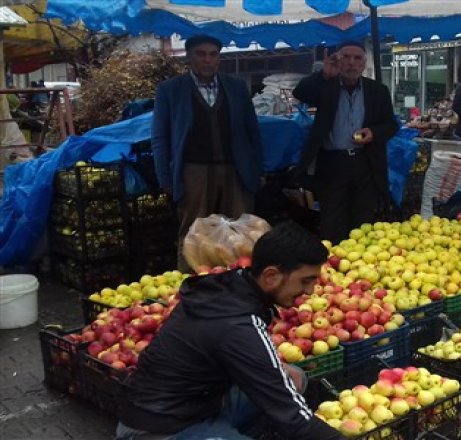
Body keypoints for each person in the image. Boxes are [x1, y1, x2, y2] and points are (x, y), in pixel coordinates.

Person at [117, 222, 344, 440]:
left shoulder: (231, 285)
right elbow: (293, 417)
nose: (310, 290)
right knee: (284, 396)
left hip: (200, 404)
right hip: (159, 428)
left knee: (293, 377)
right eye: (305, 281)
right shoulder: (238, 325)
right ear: (271, 276)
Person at [152, 34, 263, 272]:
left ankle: (240, 282)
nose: (207, 60)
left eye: (213, 55)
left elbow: (252, 131)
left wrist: (258, 169)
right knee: (195, 233)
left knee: (240, 232)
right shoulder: (170, 90)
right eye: (201, 54)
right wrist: (165, 178)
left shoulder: (236, 88)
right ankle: (189, 285)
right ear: (189, 58)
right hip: (193, 171)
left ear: (219, 59)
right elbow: (160, 137)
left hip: (235, 170)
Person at [291, 42, 399, 244]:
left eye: (357, 58)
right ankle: (333, 263)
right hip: (332, 163)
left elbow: (391, 125)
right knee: (332, 220)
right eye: (346, 57)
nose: (351, 63)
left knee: (363, 220)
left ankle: (362, 263)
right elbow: (299, 93)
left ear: (364, 63)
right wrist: (324, 74)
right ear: (337, 60)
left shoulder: (377, 90)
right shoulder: (326, 86)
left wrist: (373, 133)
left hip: (365, 162)